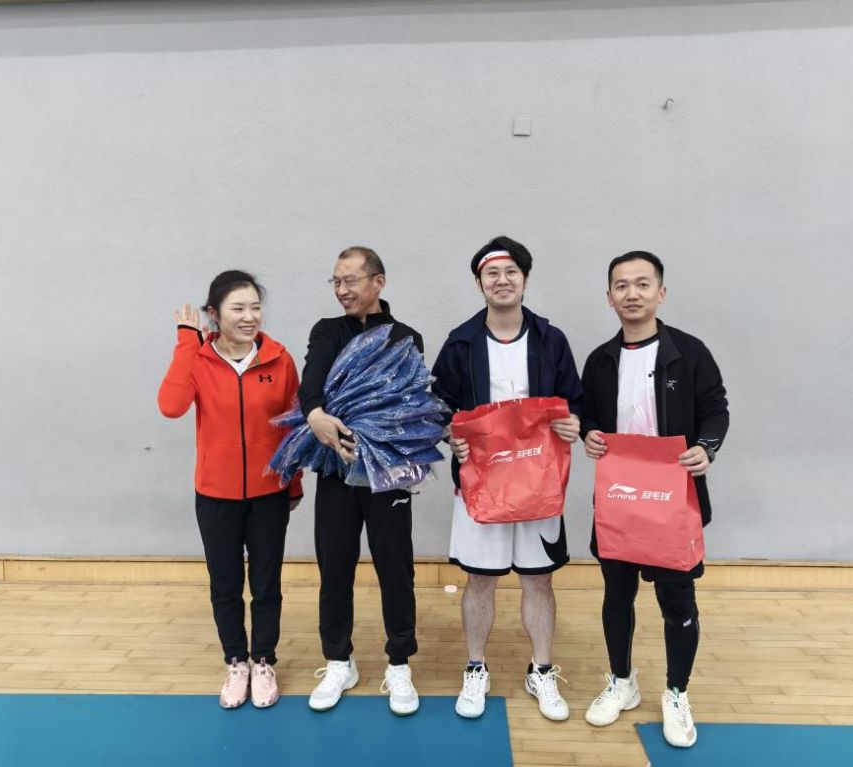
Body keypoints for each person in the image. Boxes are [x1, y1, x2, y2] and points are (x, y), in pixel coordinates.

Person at [580, 251, 729, 748]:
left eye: (642, 284)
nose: (632, 293)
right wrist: (589, 433)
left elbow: (716, 409)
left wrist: (706, 447)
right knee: (616, 595)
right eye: (621, 285)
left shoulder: (689, 352)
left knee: (676, 600)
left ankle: (676, 692)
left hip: (673, 499)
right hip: (619, 500)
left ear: (661, 293)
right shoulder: (600, 360)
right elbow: (587, 415)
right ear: (609, 297)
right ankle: (622, 682)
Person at [431, 236, 583, 721]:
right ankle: (476, 667)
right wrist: (450, 436)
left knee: (539, 580)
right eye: (492, 273)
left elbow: (574, 400)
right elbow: (437, 406)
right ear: (479, 282)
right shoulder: (460, 342)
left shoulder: (551, 339)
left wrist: (574, 422)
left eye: (511, 271)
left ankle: (542, 670)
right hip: (481, 484)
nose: (502, 281)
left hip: (538, 484)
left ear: (525, 279)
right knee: (480, 580)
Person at [158, 270, 303, 709]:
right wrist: (187, 342)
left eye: (255, 307)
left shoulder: (279, 359)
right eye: (238, 308)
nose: (249, 316)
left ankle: (264, 661)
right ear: (214, 314)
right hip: (215, 494)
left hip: (268, 494)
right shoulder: (198, 358)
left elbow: (293, 428)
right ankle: (236, 662)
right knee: (225, 585)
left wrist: (293, 483)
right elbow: (171, 406)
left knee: (266, 584)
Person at [299, 246, 424, 715]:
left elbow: (410, 404)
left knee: (396, 568)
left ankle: (399, 663)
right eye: (335, 281)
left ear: (378, 282)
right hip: (336, 470)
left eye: (350, 280)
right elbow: (312, 383)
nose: (341, 289)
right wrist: (315, 413)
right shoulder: (327, 331)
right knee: (334, 568)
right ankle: (339, 661)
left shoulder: (406, 338)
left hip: (388, 474)